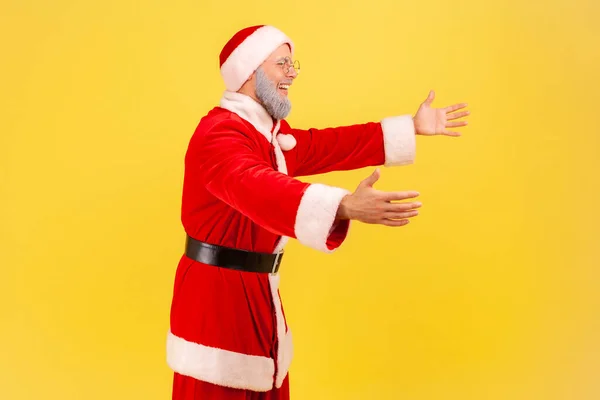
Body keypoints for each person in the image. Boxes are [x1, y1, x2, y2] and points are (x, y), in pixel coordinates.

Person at [166, 24, 469, 400]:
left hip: (258, 297)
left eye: (293, 63)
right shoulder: (218, 135)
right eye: (282, 64)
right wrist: (344, 206)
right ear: (249, 73)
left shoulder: (267, 135)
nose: (292, 72)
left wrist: (411, 128)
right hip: (215, 307)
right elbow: (257, 185)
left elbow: (326, 146)